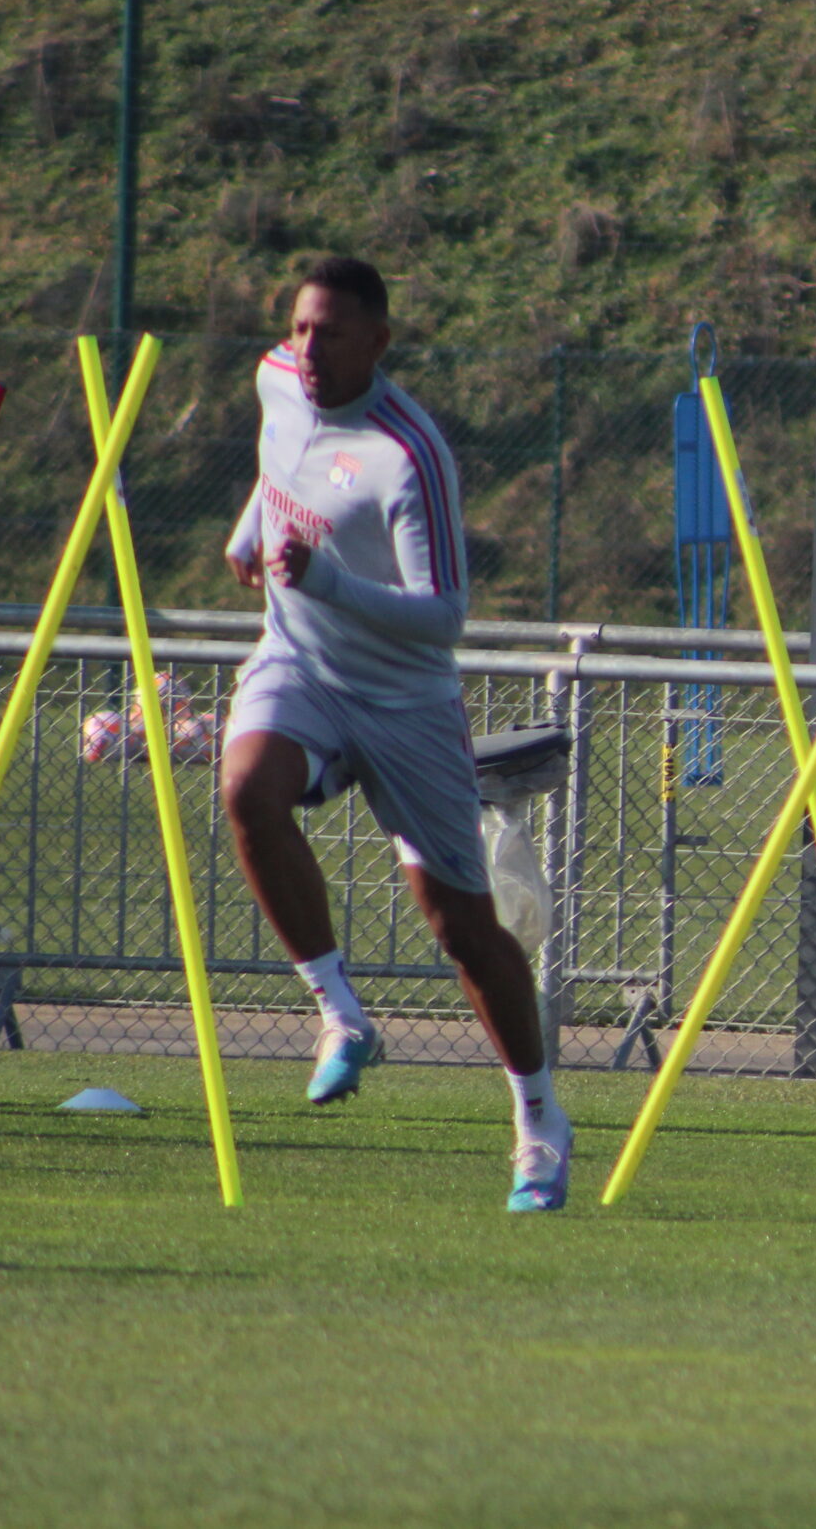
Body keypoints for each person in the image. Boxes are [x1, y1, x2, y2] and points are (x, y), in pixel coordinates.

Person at [220, 255, 573, 1212]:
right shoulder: (277, 380)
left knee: (461, 928)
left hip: (406, 700)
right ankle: (341, 1014)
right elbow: (278, 457)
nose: (308, 348)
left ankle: (538, 1119)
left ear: (379, 340)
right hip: (301, 665)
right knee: (246, 787)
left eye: (330, 331)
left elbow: (445, 614)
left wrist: (328, 577)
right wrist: (252, 527)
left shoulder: (410, 455)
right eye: (299, 327)